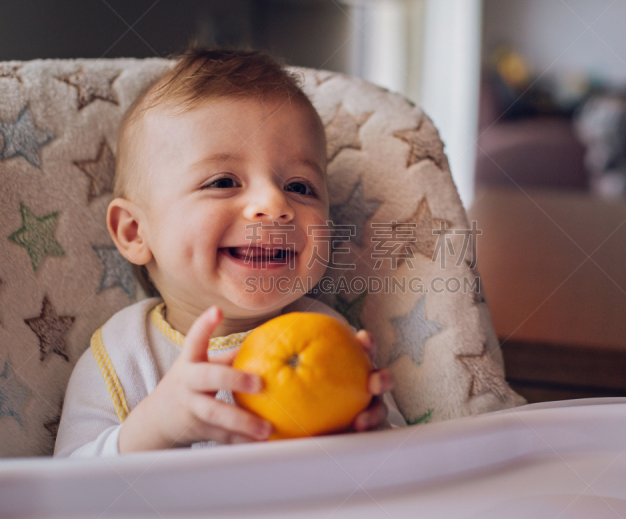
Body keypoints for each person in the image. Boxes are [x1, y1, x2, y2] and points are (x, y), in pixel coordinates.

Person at [54, 46, 402, 457]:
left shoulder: (330, 336)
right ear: (134, 232)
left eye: (299, 187)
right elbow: (66, 489)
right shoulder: (122, 352)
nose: (274, 204)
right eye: (222, 182)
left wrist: (370, 433)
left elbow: (402, 475)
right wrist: (154, 428)